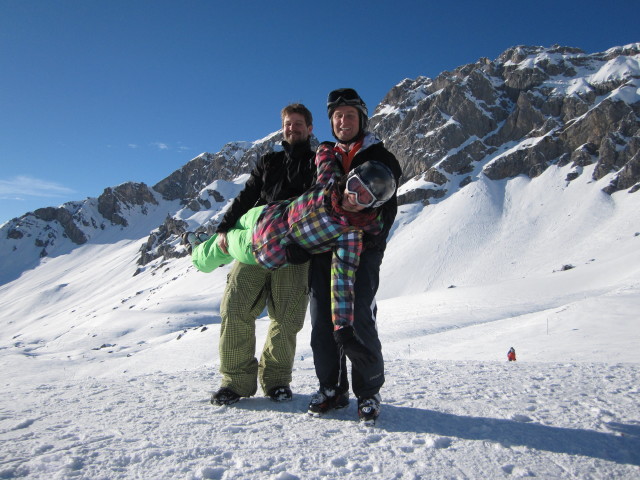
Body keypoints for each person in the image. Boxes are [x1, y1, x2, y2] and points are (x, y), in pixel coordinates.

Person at [186, 145, 397, 361]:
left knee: (220, 247)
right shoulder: (329, 184)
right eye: (354, 186)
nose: (352, 196)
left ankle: (197, 253)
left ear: (373, 205)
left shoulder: (349, 235)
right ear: (348, 178)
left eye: (364, 197)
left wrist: (343, 330)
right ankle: (202, 241)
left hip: (260, 247)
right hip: (263, 214)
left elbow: (342, 280)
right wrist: (325, 146)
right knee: (226, 232)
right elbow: (325, 161)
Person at [195, 104, 316, 406]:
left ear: (309, 128)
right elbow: (247, 195)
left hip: (294, 250)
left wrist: (306, 248)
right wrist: (224, 227)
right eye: (288, 124)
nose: (293, 128)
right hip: (255, 243)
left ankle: (276, 382)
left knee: (287, 318)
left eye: (298, 124)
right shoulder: (269, 161)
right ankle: (235, 382)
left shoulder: (318, 162)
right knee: (235, 308)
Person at [307, 88, 402, 424]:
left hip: (362, 252)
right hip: (323, 250)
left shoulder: (380, 158)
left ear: (362, 119)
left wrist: (369, 243)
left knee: (358, 316)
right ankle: (331, 388)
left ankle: (368, 391)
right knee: (322, 320)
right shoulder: (323, 159)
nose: (343, 121)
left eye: (349, 115)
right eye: (337, 117)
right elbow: (310, 204)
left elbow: (386, 211)